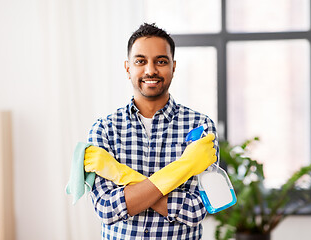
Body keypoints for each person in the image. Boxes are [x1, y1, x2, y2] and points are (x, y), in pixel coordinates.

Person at [84, 23, 219, 239]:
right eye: (140, 61)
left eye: (161, 61)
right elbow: (106, 209)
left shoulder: (200, 127)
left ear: (173, 67)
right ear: (128, 68)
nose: (150, 70)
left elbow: (197, 210)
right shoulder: (104, 129)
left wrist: (130, 187)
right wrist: (185, 167)